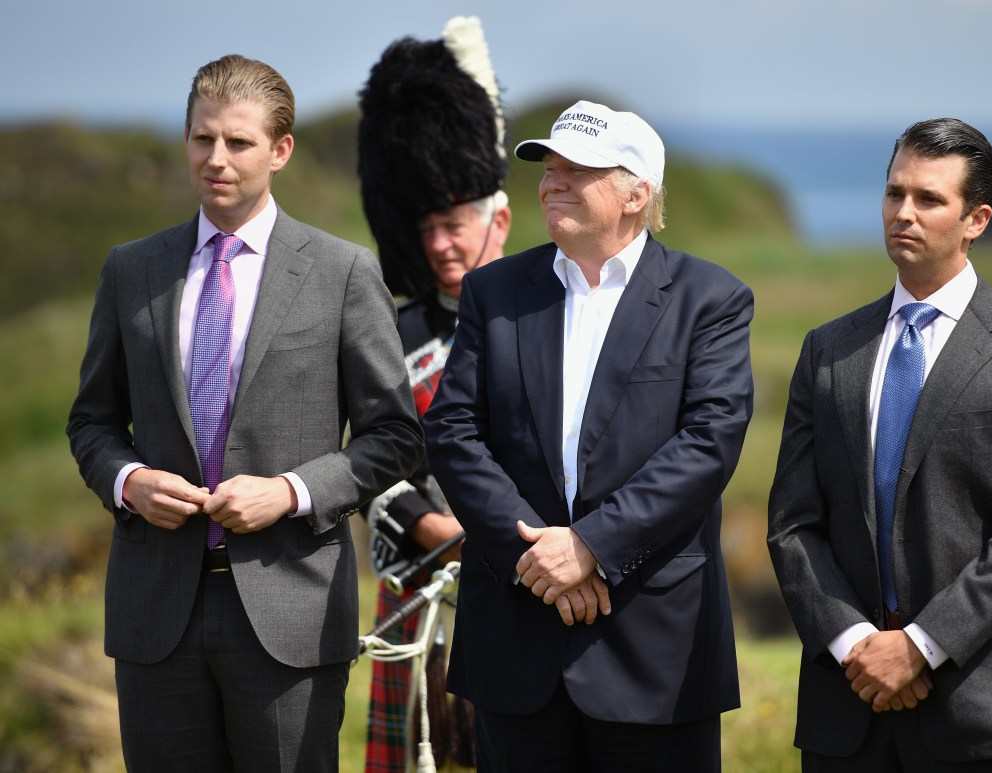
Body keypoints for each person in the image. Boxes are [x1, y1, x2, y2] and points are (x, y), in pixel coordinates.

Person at [66, 54, 424, 771]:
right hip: (153, 613)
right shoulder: (130, 268)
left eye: (238, 142)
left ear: (280, 150)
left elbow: (394, 437)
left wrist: (290, 491)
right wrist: (128, 479)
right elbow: (92, 422)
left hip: (290, 612)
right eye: (202, 139)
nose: (216, 159)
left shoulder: (343, 272)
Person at [424, 99, 754, 772]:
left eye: (579, 169)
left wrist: (590, 547)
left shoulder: (711, 298)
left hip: (656, 654)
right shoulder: (493, 291)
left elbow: (708, 442)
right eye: (549, 166)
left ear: (638, 192)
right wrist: (536, 555)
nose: (553, 181)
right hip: (516, 644)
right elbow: (454, 431)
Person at [767, 117, 992, 772]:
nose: (902, 213)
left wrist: (918, 646)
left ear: (977, 219)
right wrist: (858, 643)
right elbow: (793, 525)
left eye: (928, 199)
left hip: (981, 712)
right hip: (846, 708)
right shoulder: (827, 351)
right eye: (894, 193)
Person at [356, 18, 510, 772]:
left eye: (456, 223)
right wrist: (434, 528)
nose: (442, 244)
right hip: (423, 592)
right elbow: (368, 458)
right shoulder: (394, 332)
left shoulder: (546, 321)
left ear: (498, 220)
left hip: (526, 588)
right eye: (428, 227)